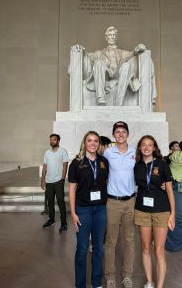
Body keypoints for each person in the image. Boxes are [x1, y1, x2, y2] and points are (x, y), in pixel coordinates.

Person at [68, 131, 109, 288]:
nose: (93, 143)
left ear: (99, 143)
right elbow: (72, 189)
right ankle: (80, 284)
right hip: (83, 209)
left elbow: (108, 181)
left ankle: (96, 282)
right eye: (89, 140)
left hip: (100, 210)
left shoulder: (104, 161)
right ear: (84, 143)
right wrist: (73, 213)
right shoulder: (76, 163)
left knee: (98, 248)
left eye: (96, 141)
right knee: (82, 248)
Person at [134, 135, 175, 288]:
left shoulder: (162, 164)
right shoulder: (136, 165)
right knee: (145, 248)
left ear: (154, 148)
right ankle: (149, 282)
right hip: (142, 211)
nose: (146, 147)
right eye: (143, 145)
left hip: (161, 211)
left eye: (150, 145)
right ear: (139, 147)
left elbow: (169, 189)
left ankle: (159, 286)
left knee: (158, 250)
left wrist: (172, 215)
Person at [73, 26, 151, 105]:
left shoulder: (122, 52)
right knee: (99, 63)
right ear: (106, 37)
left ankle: (119, 101)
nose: (112, 37)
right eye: (110, 35)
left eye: (114, 35)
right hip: (106, 74)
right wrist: (81, 50)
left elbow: (131, 54)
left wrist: (136, 49)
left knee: (126, 66)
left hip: (118, 74)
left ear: (116, 37)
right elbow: (89, 56)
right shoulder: (99, 53)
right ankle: (101, 98)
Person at [103, 121, 136, 288]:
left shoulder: (135, 152)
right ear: (113, 135)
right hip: (113, 202)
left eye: (123, 131)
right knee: (111, 241)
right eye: (117, 132)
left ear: (128, 134)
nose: (121, 134)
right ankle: (110, 277)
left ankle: (127, 276)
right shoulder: (108, 152)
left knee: (130, 240)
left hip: (130, 202)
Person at [41, 134, 69, 233]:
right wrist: (42, 180)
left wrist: (62, 178)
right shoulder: (47, 153)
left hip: (58, 181)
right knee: (50, 202)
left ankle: (64, 223)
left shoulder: (63, 151)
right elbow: (45, 166)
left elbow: (65, 165)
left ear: (58, 141)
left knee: (61, 202)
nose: (52, 141)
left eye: (54, 140)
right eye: (51, 140)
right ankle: (51, 220)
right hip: (48, 181)